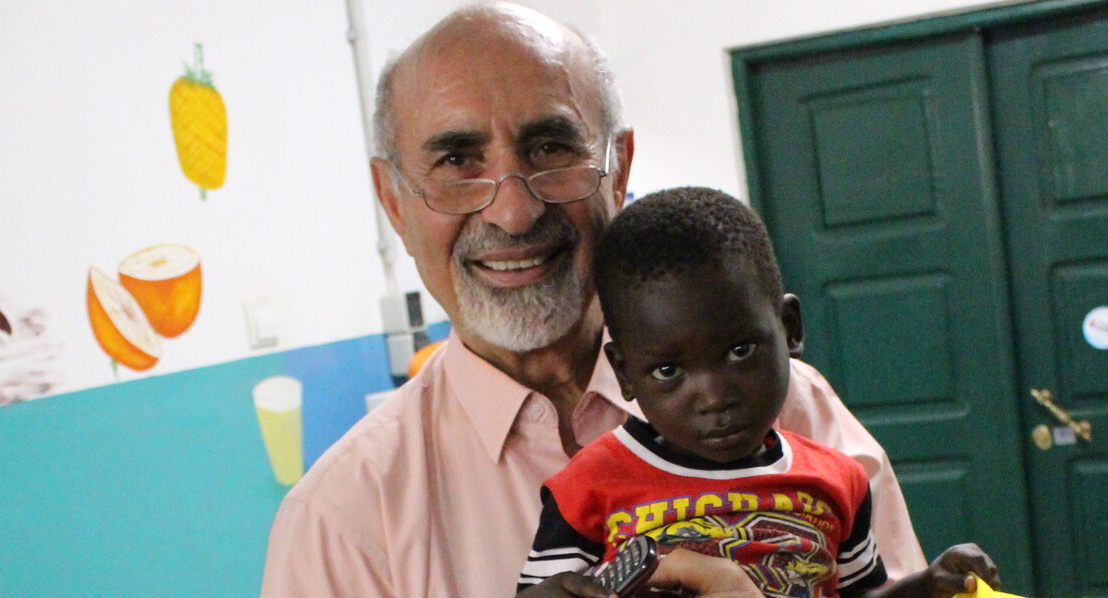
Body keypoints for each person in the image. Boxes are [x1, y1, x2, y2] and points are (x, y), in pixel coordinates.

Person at [259, 4, 925, 596]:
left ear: (621, 166)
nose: (514, 211)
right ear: (394, 202)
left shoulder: (792, 405)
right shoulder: (345, 518)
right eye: (457, 162)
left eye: (551, 146)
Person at [516, 188, 999, 598]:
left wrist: (927, 585)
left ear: (789, 329)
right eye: (668, 370)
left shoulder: (837, 481)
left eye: (740, 350)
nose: (714, 395)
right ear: (624, 373)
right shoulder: (587, 487)